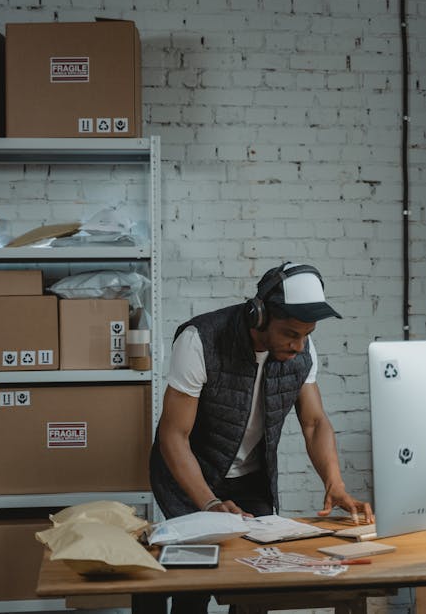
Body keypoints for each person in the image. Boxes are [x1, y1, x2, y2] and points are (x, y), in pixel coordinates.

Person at [150, 261, 374, 614]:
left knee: (256, 581)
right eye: (290, 333)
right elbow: (173, 436)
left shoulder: (303, 350)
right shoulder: (200, 340)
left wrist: (335, 482)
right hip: (190, 478)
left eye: (307, 334)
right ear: (260, 315)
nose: (299, 345)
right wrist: (209, 505)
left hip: (251, 481)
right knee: (193, 583)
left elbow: (314, 423)